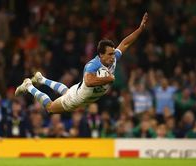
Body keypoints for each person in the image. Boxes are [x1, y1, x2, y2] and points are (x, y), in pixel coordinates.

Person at [15, 13, 148, 114]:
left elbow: (125, 43)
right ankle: (28, 86)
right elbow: (89, 81)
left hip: (80, 93)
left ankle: (41, 79)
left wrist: (140, 28)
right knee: (50, 108)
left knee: (66, 91)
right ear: (101, 55)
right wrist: (108, 78)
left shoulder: (113, 59)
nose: (113, 57)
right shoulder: (92, 65)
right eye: (109, 54)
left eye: (113, 53)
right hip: (75, 100)